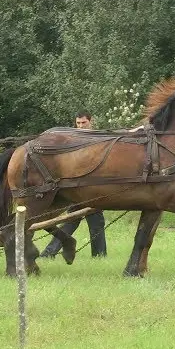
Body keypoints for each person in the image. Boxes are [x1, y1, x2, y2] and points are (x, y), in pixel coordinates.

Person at [39, 110, 108, 258]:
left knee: (89, 220)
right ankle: (99, 255)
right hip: (74, 187)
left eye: (84, 123)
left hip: (92, 187)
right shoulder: (72, 139)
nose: (81, 126)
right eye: (78, 123)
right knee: (76, 219)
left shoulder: (99, 138)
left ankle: (49, 253)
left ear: (91, 122)